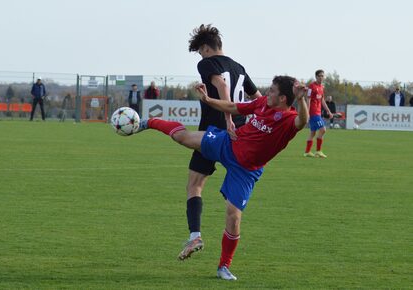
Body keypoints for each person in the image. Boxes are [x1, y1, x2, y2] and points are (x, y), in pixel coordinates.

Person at [135, 76, 308, 280]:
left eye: (272, 90)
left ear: (282, 98)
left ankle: (223, 267)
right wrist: (208, 100)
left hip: (246, 170)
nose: (267, 92)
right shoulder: (262, 103)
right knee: (185, 138)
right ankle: (148, 122)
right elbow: (234, 107)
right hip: (228, 144)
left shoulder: (289, 119)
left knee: (233, 215)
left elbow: (302, 122)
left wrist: (302, 99)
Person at [179, 24, 262, 263]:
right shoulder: (239, 67)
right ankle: (226, 254)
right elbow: (258, 99)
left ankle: (195, 235)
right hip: (242, 135)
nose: (201, 57)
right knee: (236, 193)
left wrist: (227, 118)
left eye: (201, 51)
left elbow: (222, 86)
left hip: (215, 133)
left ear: (206, 48)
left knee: (194, 185)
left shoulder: (207, 64)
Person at [303, 69, 333, 158]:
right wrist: (307, 113)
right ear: (316, 76)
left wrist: (328, 111)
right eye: (319, 76)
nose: (321, 77)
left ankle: (307, 152)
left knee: (312, 132)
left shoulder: (321, 87)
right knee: (323, 129)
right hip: (313, 112)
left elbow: (322, 100)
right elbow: (308, 99)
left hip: (318, 112)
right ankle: (318, 151)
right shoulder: (311, 86)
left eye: (322, 76)